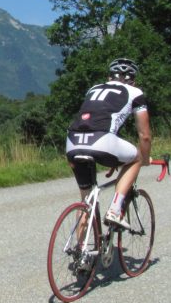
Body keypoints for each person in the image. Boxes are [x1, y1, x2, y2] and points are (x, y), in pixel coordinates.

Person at [65, 58, 152, 229]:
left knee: (86, 200)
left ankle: (80, 251)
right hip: (103, 141)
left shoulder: (93, 89)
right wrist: (146, 158)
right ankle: (115, 209)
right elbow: (145, 135)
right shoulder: (135, 92)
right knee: (137, 158)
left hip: (72, 142)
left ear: (109, 77)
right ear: (133, 80)